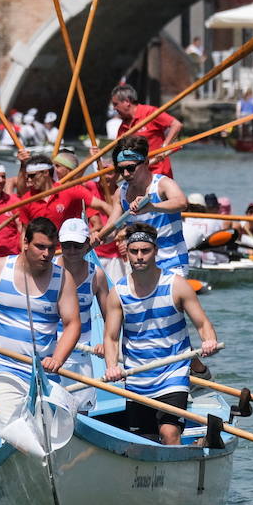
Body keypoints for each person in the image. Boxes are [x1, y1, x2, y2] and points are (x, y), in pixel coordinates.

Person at [0, 217, 80, 430]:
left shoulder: (63, 279)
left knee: (49, 432)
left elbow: (73, 324)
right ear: (25, 243)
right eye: (40, 247)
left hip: (44, 373)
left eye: (51, 248)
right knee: (15, 429)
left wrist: (58, 359)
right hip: (2, 367)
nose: (47, 254)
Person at [102, 224, 219, 444]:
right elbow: (110, 337)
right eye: (134, 251)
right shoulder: (118, 293)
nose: (139, 257)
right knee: (145, 439)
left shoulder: (176, 286)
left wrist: (209, 340)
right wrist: (111, 366)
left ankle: (177, 472)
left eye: (145, 251)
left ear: (155, 251)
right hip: (137, 376)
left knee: (169, 432)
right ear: (126, 253)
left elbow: (203, 323)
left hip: (172, 373)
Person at [104, 135, 189, 276]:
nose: (125, 174)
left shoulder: (162, 184)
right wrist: (97, 237)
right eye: (121, 169)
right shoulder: (121, 194)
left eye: (130, 168)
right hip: (139, 265)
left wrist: (152, 206)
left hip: (172, 262)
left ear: (146, 162)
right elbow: (111, 230)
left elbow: (181, 202)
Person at [56, 217, 110, 399]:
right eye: (66, 245)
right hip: (50, 351)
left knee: (81, 411)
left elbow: (109, 317)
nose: (71, 251)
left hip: (82, 352)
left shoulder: (97, 275)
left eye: (77, 245)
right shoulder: (49, 269)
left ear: (87, 244)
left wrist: (105, 343)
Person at [111, 84, 181, 178]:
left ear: (127, 102)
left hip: (159, 172)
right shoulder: (123, 127)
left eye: (116, 104)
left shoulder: (150, 112)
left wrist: (164, 147)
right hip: (136, 176)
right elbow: (119, 153)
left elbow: (176, 125)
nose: (114, 108)